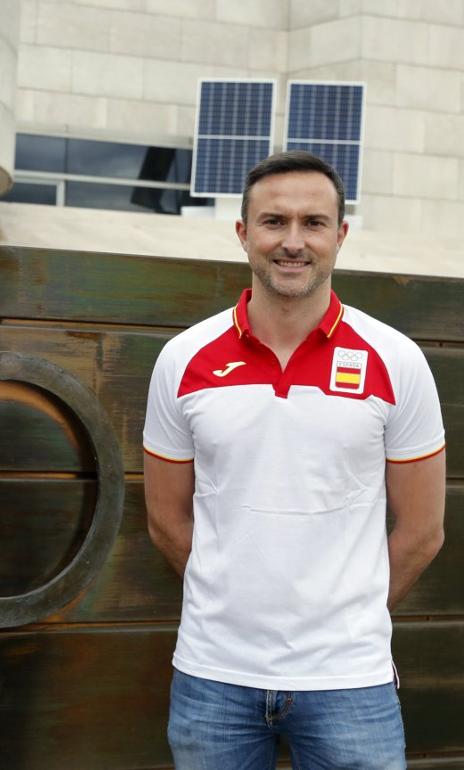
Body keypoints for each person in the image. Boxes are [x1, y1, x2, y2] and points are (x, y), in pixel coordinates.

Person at [142, 150, 446, 769]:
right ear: (243, 233)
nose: (293, 241)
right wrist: (229, 606)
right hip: (214, 674)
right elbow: (166, 522)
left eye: (313, 223)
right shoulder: (183, 359)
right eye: (274, 221)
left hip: (349, 678)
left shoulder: (397, 360)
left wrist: (348, 616)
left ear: (340, 235)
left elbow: (422, 531)